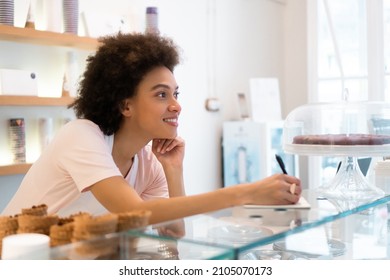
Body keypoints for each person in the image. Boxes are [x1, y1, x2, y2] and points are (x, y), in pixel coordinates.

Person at [2, 33, 301, 225]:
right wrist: (245, 193)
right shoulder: (81, 135)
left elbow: (173, 234)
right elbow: (136, 214)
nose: (176, 106)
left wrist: (174, 170)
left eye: (176, 94)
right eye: (161, 95)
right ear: (125, 105)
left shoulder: (148, 162)